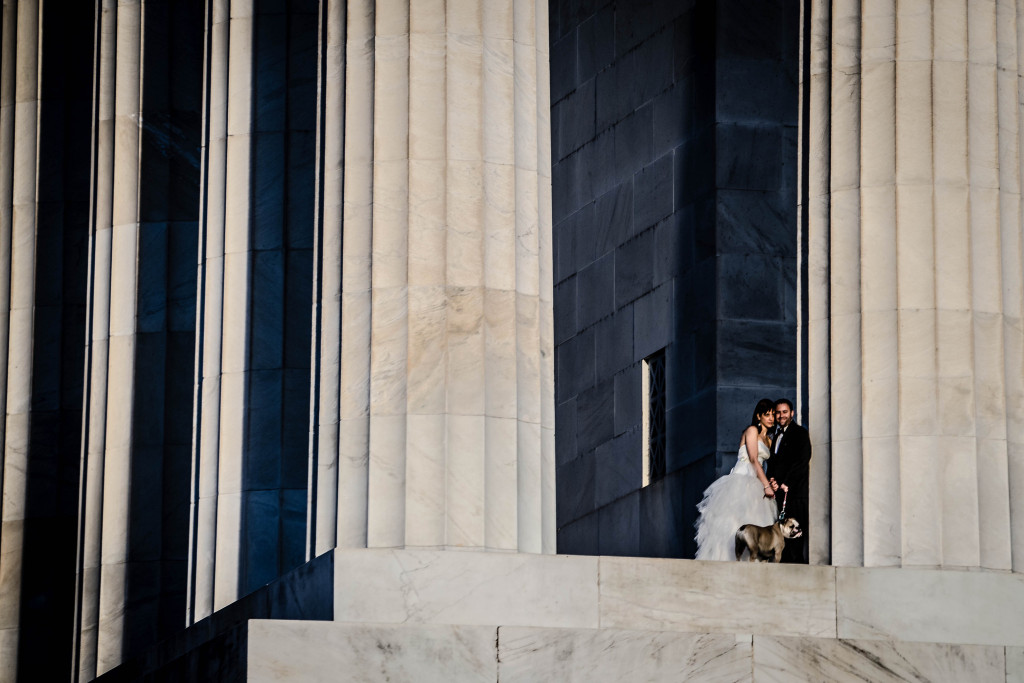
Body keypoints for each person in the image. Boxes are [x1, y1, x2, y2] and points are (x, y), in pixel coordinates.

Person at [694, 398, 780, 561]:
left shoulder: (769, 439)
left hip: (757, 482)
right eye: (767, 414)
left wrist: (770, 482)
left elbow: (764, 465)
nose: (770, 418)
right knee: (734, 521)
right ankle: (728, 558)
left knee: (757, 522)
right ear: (759, 416)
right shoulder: (751, 430)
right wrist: (766, 485)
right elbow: (754, 459)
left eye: (772, 415)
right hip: (742, 480)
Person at [766, 398, 811, 563]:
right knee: (780, 540)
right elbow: (773, 463)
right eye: (778, 412)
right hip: (779, 494)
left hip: (795, 493)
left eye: (784, 412)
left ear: (791, 413)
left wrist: (786, 483)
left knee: (795, 539)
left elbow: (802, 460)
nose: (781, 415)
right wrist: (772, 480)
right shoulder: (775, 435)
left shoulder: (800, 433)